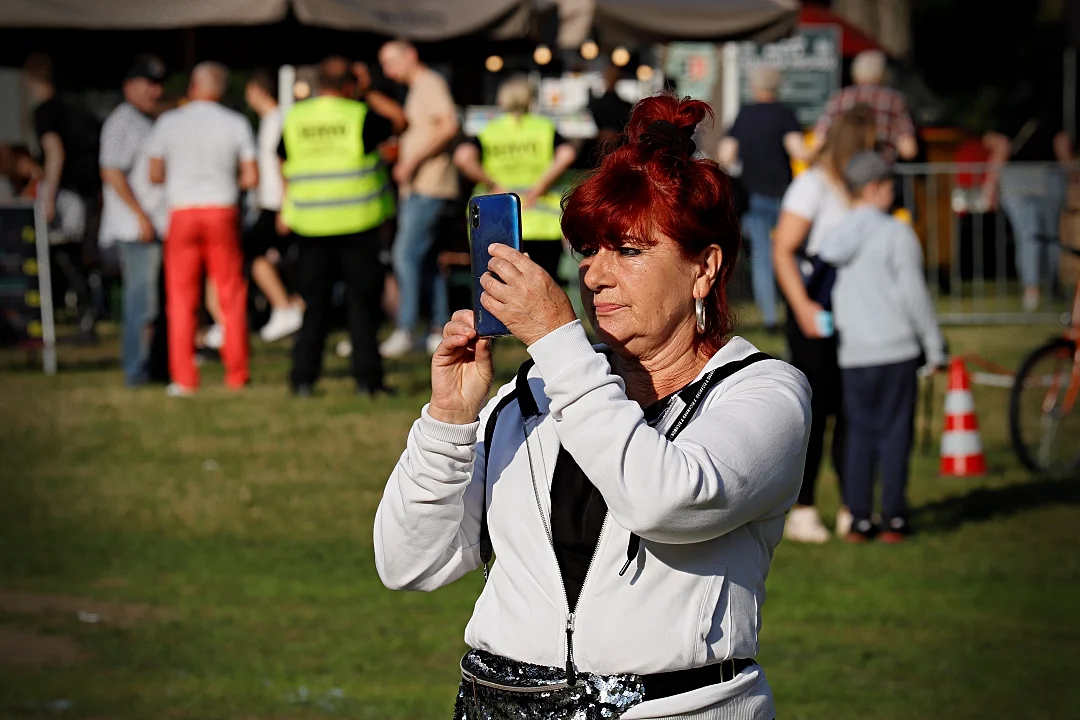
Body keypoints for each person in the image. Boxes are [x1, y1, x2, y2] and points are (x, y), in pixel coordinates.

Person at [374, 93, 811, 720]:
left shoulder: (764, 392)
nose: (596, 275)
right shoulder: (531, 395)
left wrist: (557, 339)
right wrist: (449, 419)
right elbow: (407, 563)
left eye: (628, 251)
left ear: (704, 268)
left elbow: (662, 499)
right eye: (586, 250)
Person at [818, 151, 946, 542]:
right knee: (894, 435)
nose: (894, 192)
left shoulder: (832, 238)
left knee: (859, 434)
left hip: (854, 352)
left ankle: (858, 518)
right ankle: (893, 518)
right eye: (890, 185)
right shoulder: (896, 233)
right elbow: (914, 295)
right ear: (873, 189)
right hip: (896, 348)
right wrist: (935, 346)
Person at [773, 104, 878, 543]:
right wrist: (803, 309)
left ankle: (854, 505)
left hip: (859, 316)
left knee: (855, 411)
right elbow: (784, 249)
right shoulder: (811, 187)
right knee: (814, 414)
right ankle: (805, 507)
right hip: (816, 313)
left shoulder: (862, 190)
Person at [279, 56, 403, 398]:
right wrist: (369, 92)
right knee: (362, 305)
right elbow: (399, 121)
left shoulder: (296, 118)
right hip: (357, 222)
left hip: (309, 224)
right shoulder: (359, 116)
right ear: (351, 84)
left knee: (313, 304)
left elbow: (282, 158)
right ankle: (368, 381)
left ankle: (303, 379)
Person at [146, 61, 257, 396]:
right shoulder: (235, 122)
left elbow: (153, 173)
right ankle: (236, 374)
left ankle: (184, 378)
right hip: (222, 209)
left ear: (193, 85)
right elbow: (251, 177)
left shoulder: (169, 122)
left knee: (180, 298)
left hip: (181, 212)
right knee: (230, 293)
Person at [377, 39, 460, 358]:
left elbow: (448, 125)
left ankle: (406, 328)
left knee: (404, 255)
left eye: (391, 60)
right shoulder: (419, 86)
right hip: (423, 186)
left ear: (411, 55)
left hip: (429, 185)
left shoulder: (429, 83)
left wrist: (412, 161)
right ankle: (437, 327)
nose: (387, 69)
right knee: (426, 260)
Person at [453, 76, 578, 282]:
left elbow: (462, 157)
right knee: (544, 285)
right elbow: (566, 154)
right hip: (542, 224)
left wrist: (491, 183)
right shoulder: (543, 127)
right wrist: (540, 186)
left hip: (500, 222)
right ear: (530, 99)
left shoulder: (491, 130)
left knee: (501, 288)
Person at [719, 65, 810, 333]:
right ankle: (797, 308)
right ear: (777, 85)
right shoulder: (785, 115)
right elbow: (800, 152)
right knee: (792, 253)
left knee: (762, 258)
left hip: (753, 194)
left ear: (754, 86)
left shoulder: (744, 115)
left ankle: (770, 318)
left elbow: (727, 155)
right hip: (785, 196)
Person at [98, 55, 168, 387]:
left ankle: (152, 368)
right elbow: (111, 170)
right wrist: (140, 216)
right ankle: (135, 372)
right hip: (136, 228)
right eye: (148, 84)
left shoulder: (145, 120)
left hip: (150, 225)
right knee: (141, 304)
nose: (156, 91)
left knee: (152, 303)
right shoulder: (122, 121)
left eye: (158, 84)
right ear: (129, 87)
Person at [23, 52, 103, 341]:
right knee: (75, 258)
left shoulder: (45, 112)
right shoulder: (74, 109)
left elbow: (55, 152)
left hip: (64, 193)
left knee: (63, 258)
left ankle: (79, 317)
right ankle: (85, 315)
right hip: (83, 192)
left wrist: (48, 197)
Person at [982, 85, 1076, 312]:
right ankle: (1054, 286)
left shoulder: (1008, 115)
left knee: (1027, 235)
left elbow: (1001, 149)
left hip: (1017, 177)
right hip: (1049, 175)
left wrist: (990, 185)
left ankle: (1031, 289)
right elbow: (1062, 147)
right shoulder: (1052, 115)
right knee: (1051, 235)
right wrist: (1074, 179)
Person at [243, 68, 304, 343]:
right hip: (270, 201)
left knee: (253, 255)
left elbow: (285, 164)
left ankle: (284, 307)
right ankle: (291, 306)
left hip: (278, 202)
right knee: (282, 259)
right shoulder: (270, 120)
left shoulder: (280, 119)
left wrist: (285, 204)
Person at [811, 50, 917, 164]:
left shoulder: (839, 99)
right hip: (881, 170)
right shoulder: (893, 100)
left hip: (843, 171)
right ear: (883, 74)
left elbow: (818, 140)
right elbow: (908, 149)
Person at [588, 63, 634, 146]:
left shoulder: (596, 104)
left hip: (614, 145)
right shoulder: (625, 106)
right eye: (609, 76)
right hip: (605, 145)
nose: (610, 79)